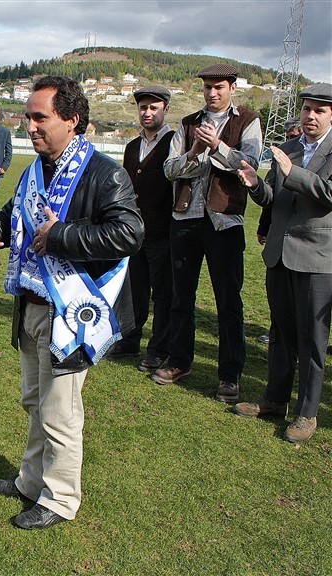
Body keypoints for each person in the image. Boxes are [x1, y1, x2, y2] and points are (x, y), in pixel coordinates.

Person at [0, 77, 143, 529]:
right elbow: (13, 215)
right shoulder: (35, 170)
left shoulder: (105, 173)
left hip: (72, 313)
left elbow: (129, 233)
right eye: (26, 117)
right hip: (32, 305)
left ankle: (60, 498)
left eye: (39, 117)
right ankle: (30, 480)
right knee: (34, 401)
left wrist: (61, 236)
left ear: (72, 120)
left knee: (60, 412)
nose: (28, 125)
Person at [154, 64, 262, 403]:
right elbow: (170, 170)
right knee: (180, 297)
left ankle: (230, 375)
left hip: (225, 221)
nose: (212, 93)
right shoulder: (188, 124)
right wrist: (195, 152)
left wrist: (217, 147)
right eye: (207, 88)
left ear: (232, 88)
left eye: (218, 87)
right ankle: (179, 361)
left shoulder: (248, 120)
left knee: (228, 301)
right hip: (186, 218)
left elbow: (251, 165)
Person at [233, 83, 332, 443]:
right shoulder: (287, 149)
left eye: (319, 110)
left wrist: (293, 172)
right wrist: (255, 185)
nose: (310, 115)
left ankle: (306, 413)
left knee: (312, 341)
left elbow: (329, 194)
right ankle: (274, 400)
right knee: (280, 335)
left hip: (317, 260)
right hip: (279, 255)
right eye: (307, 108)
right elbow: (273, 199)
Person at [107, 86, 174, 372]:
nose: (147, 113)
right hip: (134, 233)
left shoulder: (174, 142)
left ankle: (159, 349)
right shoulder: (133, 146)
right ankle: (129, 339)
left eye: (153, 107)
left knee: (163, 294)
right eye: (143, 107)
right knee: (133, 291)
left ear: (165, 110)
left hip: (164, 231)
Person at [256, 117, 301, 246]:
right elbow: (271, 195)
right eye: (287, 138)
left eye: (293, 137)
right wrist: (263, 228)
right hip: (280, 235)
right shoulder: (280, 158)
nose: (289, 142)